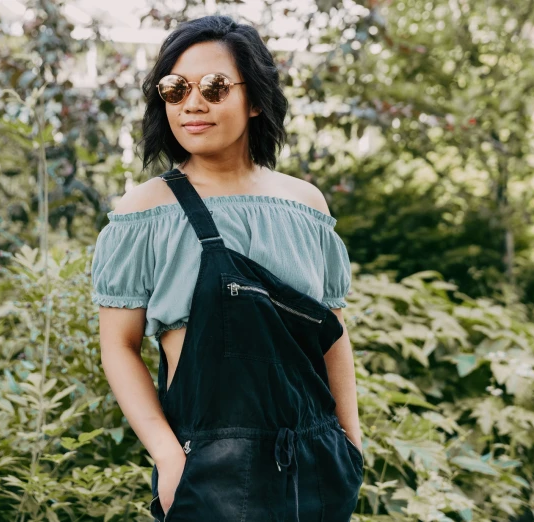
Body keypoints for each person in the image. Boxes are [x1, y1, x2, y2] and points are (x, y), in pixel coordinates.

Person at [92, 14, 364, 522]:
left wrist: (352, 445)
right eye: (175, 89)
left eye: (215, 87)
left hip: (316, 462)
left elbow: (333, 335)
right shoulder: (144, 213)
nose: (193, 103)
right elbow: (118, 345)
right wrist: (169, 458)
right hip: (207, 471)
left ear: (256, 98)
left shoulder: (306, 205)